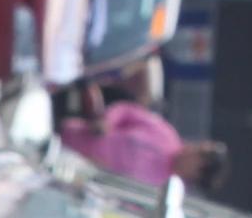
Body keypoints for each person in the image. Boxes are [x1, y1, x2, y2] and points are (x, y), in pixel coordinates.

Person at [59, 82, 229, 194]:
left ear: (196, 173)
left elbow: (120, 205)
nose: (193, 149)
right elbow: (127, 111)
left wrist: (99, 174)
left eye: (199, 156)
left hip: (68, 177)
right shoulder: (166, 134)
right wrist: (106, 121)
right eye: (199, 148)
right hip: (68, 134)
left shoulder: (161, 191)